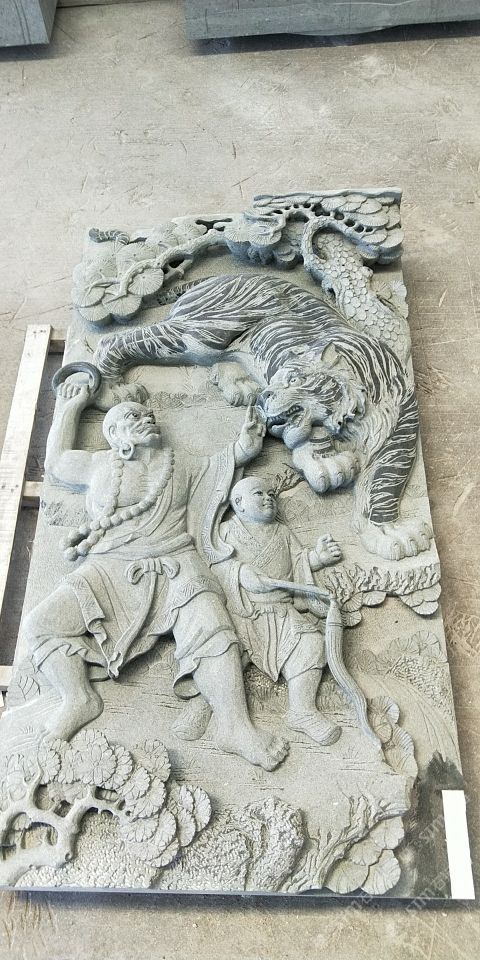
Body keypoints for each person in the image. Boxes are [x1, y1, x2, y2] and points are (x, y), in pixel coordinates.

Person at [22, 376, 288, 771]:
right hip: (108, 566)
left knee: (213, 627)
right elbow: (57, 462)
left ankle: (234, 725)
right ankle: (78, 698)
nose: (147, 418)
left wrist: (244, 447)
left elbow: (220, 464)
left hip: (174, 560)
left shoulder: (179, 464)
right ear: (114, 434)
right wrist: (71, 404)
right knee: (40, 625)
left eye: (148, 415)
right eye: (133, 416)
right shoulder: (98, 465)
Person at [176, 476, 344, 747]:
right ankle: (204, 704)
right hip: (242, 613)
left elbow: (298, 561)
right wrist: (239, 573)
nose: (268, 498)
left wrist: (317, 558)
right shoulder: (226, 532)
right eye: (259, 494)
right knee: (222, 656)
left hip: (281, 612)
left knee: (311, 644)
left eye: (271, 494)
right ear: (238, 503)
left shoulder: (283, 532)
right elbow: (210, 565)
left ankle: (302, 710)